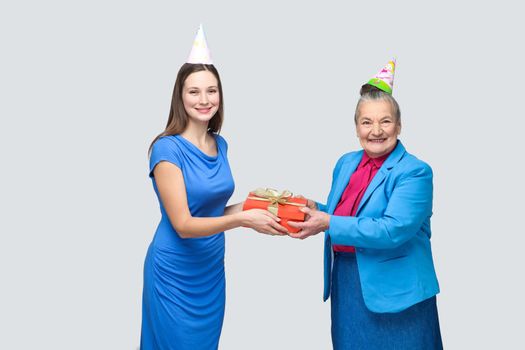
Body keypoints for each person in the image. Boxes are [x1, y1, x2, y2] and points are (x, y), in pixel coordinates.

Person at [140, 25, 287, 350]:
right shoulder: (167, 150)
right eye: (194, 91)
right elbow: (183, 224)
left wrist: (261, 207)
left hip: (210, 270)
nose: (204, 100)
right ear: (180, 96)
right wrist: (242, 220)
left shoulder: (220, 145)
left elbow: (215, 210)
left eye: (212, 90)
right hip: (173, 273)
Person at [289, 60, 443, 349]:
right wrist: (316, 210)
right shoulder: (346, 163)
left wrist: (329, 222)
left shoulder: (415, 172)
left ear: (399, 125)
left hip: (399, 293)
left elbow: (392, 229)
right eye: (366, 122)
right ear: (356, 126)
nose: (376, 130)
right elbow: (349, 215)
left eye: (385, 121)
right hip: (348, 284)